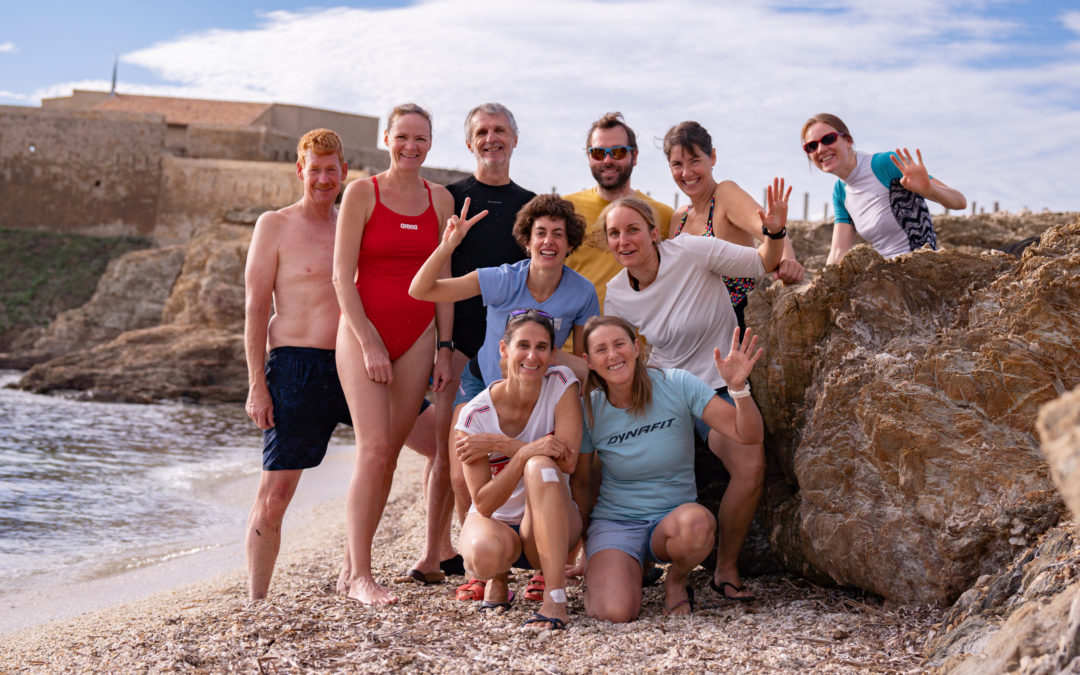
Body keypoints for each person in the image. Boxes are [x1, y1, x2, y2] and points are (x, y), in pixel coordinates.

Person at [600, 193, 787, 600]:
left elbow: (762, 262)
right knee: (615, 451)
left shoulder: (692, 250)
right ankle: (634, 552)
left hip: (717, 382)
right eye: (614, 233)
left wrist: (774, 233)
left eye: (633, 229)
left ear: (654, 232)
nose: (624, 240)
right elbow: (624, 356)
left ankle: (726, 567)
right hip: (665, 387)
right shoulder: (616, 294)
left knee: (750, 462)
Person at [402, 105, 538, 583]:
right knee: (450, 452)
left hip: (512, 350)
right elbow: (435, 271)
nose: (491, 138)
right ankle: (436, 553)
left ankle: (517, 548)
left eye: (500, 130)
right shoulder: (451, 198)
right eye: (482, 131)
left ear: (514, 139)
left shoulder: (530, 206)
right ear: (469, 143)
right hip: (459, 343)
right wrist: (443, 346)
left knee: (512, 448)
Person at [332, 103, 455, 605]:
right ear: (387, 138)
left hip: (419, 337)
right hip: (364, 333)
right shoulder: (362, 192)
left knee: (388, 456)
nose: (411, 146)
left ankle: (350, 566)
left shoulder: (441, 199)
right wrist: (368, 341)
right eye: (402, 136)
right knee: (374, 449)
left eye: (420, 138)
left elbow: (444, 280)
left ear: (430, 143)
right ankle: (361, 575)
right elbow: (341, 277)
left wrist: (444, 349)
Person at [576, 316, 765, 621]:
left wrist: (738, 388)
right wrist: (587, 548)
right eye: (601, 349)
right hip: (616, 523)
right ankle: (622, 569)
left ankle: (676, 580)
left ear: (636, 348)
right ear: (588, 361)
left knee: (698, 525)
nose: (612, 355)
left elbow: (749, 435)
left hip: (673, 521)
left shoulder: (677, 383)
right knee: (615, 613)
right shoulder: (588, 407)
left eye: (620, 344)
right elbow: (582, 482)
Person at [243, 128, 351, 600]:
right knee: (274, 497)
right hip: (294, 368)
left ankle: (434, 555)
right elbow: (254, 309)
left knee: (434, 443)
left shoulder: (353, 225)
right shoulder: (275, 224)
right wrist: (257, 385)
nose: (323, 179)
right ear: (300, 170)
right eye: (315, 170)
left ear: (345, 171)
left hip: (351, 364)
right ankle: (256, 601)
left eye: (331, 170)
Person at [454, 309, 585, 629]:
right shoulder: (475, 416)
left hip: (549, 521)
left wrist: (504, 445)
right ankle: (497, 578)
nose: (532, 356)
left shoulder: (562, 383)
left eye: (541, 347)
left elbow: (568, 461)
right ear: (504, 349)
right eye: (523, 345)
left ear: (552, 354)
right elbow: (483, 503)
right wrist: (528, 450)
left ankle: (555, 598)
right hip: (497, 522)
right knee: (482, 555)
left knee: (542, 466)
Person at [664, 121, 804, 330]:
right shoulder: (679, 218)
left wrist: (788, 261)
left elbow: (769, 229)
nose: (686, 172)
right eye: (677, 164)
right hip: (691, 333)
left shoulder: (724, 194)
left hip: (735, 327)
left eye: (694, 161)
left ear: (712, 157)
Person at [800, 113, 967, 265]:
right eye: (811, 146)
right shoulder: (840, 191)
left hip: (921, 269)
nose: (821, 149)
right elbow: (838, 252)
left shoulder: (884, 164)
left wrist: (929, 189)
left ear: (848, 141)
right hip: (884, 275)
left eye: (828, 139)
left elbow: (960, 202)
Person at [563, 112, 675, 308]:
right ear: (589, 157)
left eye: (618, 152)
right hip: (577, 328)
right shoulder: (565, 210)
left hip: (640, 328)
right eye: (598, 153)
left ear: (635, 156)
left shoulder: (662, 215)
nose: (607, 160)